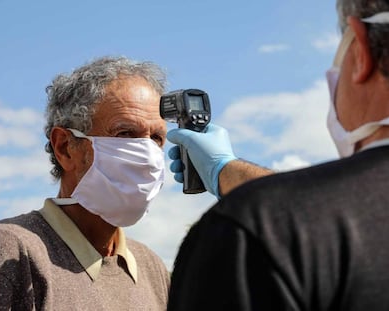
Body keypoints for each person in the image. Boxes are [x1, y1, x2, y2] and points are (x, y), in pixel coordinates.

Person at [166, 1, 389, 310]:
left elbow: (299, 221)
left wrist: (244, 197)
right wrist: (226, 171)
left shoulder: (257, 232)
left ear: (360, 50)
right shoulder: (270, 223)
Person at [0, 56, 170, 310]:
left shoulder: (151, 267)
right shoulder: (3, 252)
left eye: (156, 138)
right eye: (125, 134)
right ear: (65, 148)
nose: (147, 155)